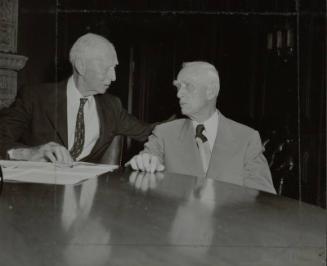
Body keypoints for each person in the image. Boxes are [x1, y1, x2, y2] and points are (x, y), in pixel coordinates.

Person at [0, 33, 153, 164]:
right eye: (106, 68)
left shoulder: (112, 106)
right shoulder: (34, 97)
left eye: (114, 68)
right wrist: (30, 153)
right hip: (37, 194)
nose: (113, 77)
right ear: (81, 66)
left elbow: (151, 132)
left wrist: (178, 114)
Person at [127, 61, 276, 194]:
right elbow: (144, 162)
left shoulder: (247, 138)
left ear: (211, 91)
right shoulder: (164, 133)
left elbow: (264, 199)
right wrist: (142, 163)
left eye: (188, 86)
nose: (179, 94)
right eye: (178, 87)